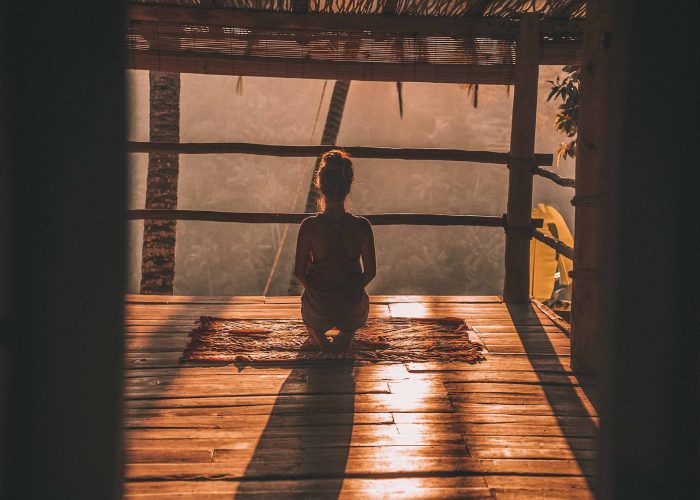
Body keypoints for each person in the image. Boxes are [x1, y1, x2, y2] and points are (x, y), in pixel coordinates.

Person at [294, 150, 376, 352]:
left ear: (320, 185)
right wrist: (350, 290)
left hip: (319, 307)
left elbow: (299, 272)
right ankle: (348, 331)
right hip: (351, 309)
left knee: (310, 311)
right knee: (356, 306)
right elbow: (370, 272)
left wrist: (317, 291)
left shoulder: (309, 227)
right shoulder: (362, 226)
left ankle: (318, 333)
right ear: (348, 186)